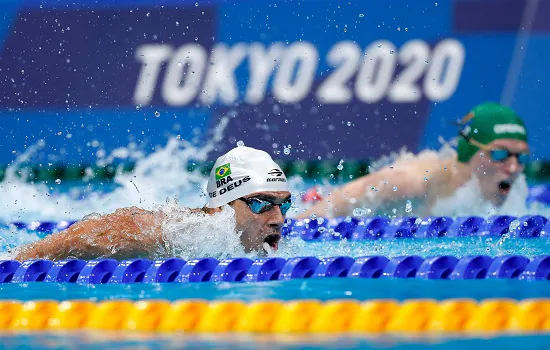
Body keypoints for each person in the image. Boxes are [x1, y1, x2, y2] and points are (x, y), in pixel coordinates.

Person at [14, 146, 292, 261]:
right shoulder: (193, 232)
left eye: (284, 205)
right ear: (223, 206)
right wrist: (16, 261)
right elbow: (96, 233)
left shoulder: (266, 246)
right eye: (262, 204)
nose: (278, 218)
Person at [299, 102, 530, 218]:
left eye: (520, 157)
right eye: (499, 154)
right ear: (471, 152)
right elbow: (326, 210)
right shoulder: (414, 182)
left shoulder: (515, 186)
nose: (513, 167)